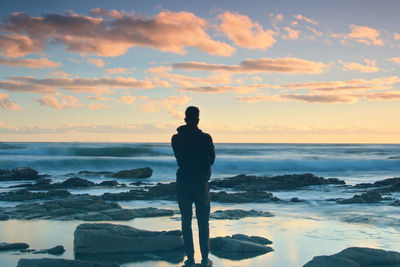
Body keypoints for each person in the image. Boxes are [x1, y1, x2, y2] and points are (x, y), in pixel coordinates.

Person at [171, 106, 215, 267]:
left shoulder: (176, 138)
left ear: (185, 119)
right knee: (203, 221)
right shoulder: (205, 138)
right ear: (197, 120)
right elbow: (211, 159)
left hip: (184, 181)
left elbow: (179, 157)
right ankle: (204, 258)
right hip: (201, 182)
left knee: (186, 221)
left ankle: (189, 258)